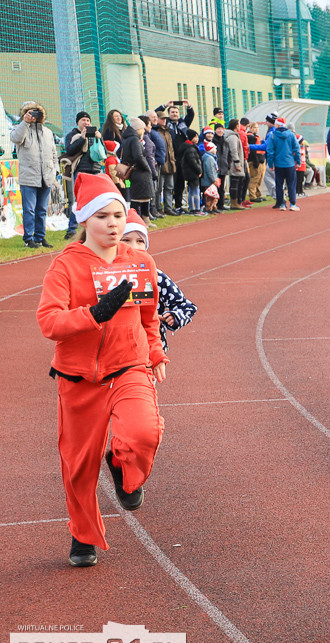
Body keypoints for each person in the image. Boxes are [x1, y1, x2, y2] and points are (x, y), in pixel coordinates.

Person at [36, 172, 167, 567]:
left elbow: (149, 317)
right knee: (78, 466)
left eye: (118, 216)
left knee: (145, 432)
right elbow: (49, 322)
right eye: (102, 217)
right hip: (78, 378)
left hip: (129, 366)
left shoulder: (141, 262)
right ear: (84, 220)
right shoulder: (65, 266)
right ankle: (83, 536)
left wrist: (155, 353)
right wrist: (94, 314)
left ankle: (124, 468)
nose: (113, 224)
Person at [120, 212, 197, 353]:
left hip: (152, 350)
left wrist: (174, 316)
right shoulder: (106, 276)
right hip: (118, 351)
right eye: (126, 240)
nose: (133, 246)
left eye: (140, 241)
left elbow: (186, 307)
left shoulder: (156, 276)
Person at [11, 100, 58, 249]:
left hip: (46, 176)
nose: (33, 115)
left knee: (42, 210)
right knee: (29, 210)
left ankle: (40, 237)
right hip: (29, 176)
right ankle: (28, 239)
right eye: (30, 112)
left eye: (36, 112)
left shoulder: (48, 132)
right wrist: (25, 122)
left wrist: (55, 171)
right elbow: (15, 138)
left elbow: (54, 153)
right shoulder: (20, 129)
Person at [63, 111, 105, 238]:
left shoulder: (95, 134)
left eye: (88, 120)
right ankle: (72, 229)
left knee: (96, 200)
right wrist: (82, 138)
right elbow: (70, 150)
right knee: (79, 200)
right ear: (78, 122)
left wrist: (99, 138)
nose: (86, 123)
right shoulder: (72, 135)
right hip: (81, 170)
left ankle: (93, 227)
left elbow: (103, 152)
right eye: (83, 120)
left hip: (96, 169)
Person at [265, 117, 301, 211]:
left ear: (277, 125)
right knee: (291, 184)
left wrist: (270, 164)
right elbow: (297, 149)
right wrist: (298, 162)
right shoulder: (291, 135)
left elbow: (270, 151)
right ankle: (292, 204)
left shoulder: (273, 135)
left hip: (278, 164)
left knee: (279, 185)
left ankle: (282, 204)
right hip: (290, 163)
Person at [179, 130, 203, 215]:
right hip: (193, 172)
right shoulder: (190, 148)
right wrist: (199, 170)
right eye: (195, 137)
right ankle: (196, 209)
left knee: (191, 190)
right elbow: (194, 162)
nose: (197, 138)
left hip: (189, 172)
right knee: (195, 190)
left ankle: (192, 208)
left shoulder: (189, 147)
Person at [246, 122, 267, 203]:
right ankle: (253, 196)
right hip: (255, 160)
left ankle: (258, 194)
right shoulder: (250, 137)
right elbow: (252, 151)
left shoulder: (257, 137)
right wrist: (255, 161)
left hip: (261, 159)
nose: (256, 129)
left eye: (257, 127)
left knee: (259, 179)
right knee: (254, 178)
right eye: (255, 127)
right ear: (251, 128)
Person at [199, 141, 219, 215]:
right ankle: (208, 207)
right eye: (214, 149)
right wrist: (213, 180)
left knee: (213, 195)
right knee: (209, 196)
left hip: (210, 180)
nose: (216, 150)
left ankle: (213, 207)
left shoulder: (210, 157)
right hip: (208, 181)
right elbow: (210, 170)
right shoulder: (209, 158)